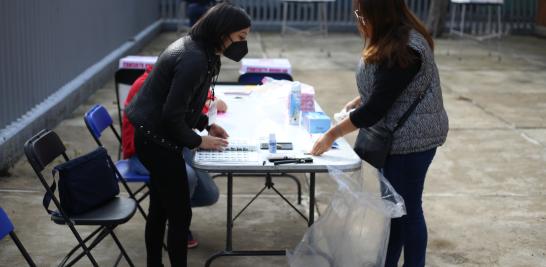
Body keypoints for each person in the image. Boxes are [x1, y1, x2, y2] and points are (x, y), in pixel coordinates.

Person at [310, 0, 449, 266]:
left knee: (407, 211)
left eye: (360, 11)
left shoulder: (404, 48)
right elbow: (389, 87)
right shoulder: (395, 35)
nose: (358, 17)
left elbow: (375, 109)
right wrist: (360, 98)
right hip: (399, 136)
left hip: (412, 141)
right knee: (395, 210)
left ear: (378, 12)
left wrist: (331, 134)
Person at [125, 3, 251, 266]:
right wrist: (199, 139)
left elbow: (186, 104)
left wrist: (206, 123)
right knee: (179, 216)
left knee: (160, 209)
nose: (243, 45)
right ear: (222, 32)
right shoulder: (194, 58)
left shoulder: (200, 49)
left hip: (155, 136)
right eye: (240, 38)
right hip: (156, 140)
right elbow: (172, 115)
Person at [121, 65, 227, 249]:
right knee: (187, 177)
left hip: (173, 147)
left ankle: (171, 209)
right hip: (143, 154)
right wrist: (199, 140)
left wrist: (206, 125)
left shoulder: (175, 81)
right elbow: (172, 121)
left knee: (209, 195)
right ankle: (176, 222)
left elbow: (196, 110)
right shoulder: (150, 86)